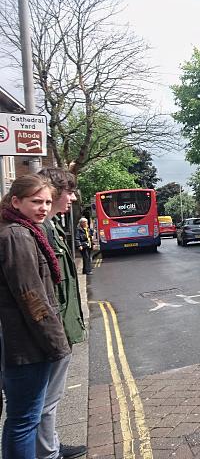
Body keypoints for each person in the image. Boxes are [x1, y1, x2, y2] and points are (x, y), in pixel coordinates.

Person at [0, 174, 71, 459]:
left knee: (22, 418)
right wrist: (57, 344)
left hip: (23, 341)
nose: (43, 208)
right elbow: (32, 296)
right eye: (36, 202)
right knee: (25, 419)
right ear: (16, 201)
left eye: (47, 202)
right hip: (27, 346)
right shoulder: (17, 235)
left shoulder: (20, 230)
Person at [37, 168, 87, 459]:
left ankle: (50, 445)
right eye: (69, 191)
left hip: (59, 326)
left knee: (49, 400)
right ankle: (47, 452)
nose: (73, 197)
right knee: (45, 400)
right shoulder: (40, 229)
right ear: (54, 191)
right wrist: (54, 331)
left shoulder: (51, 226)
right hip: (51, 330)